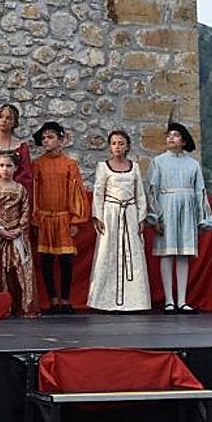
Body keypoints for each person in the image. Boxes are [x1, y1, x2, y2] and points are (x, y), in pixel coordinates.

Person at [146, 121, 212, 313]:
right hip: (166, 206)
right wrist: (154, 217)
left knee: (184, 253)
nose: (170, 138)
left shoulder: (193, 164)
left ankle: (182, 300)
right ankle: (169, 300)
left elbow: (200, 191)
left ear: (183, 141)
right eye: (169, 135)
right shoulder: (158, 162)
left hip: (187, 208)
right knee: (167, 253)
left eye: (175, 135)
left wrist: (202, 217)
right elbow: (152, 190)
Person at [87, 129, 151, 312]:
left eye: (121, 143)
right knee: (108, 252)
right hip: (111, 214)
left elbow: (140, 194)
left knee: (132, 253)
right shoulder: (103, 167)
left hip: (129, 213)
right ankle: (104, 301)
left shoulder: (135, 167)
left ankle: (135, 301)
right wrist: (97, 216)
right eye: (114, 143)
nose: (117, 147)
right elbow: (98, 193)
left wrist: (141, 217)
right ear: (109, 146)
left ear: (127, 146)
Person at [31, 121, 89, 314]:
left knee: (65, 260)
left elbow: (76, 192)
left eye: (50, 137)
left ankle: (65, 298)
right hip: (45, 218)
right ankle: (52, 299)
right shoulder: (37, 164)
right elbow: (34, 191)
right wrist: (36, 217)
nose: (46, 141)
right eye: (44, 138)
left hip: (64, 218)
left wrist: (75, 219)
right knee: (46, 259)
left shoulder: (69, 164)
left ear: (60, 139)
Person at [0, 150, 38, 317]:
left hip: (16, 234)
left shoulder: (21, 189)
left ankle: (23, 306)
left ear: (16, 168)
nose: (5, 169)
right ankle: (1, 307)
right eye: (1, 165)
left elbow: (26, 211)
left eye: (9, 166)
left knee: (20, 267)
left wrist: (19, 229)